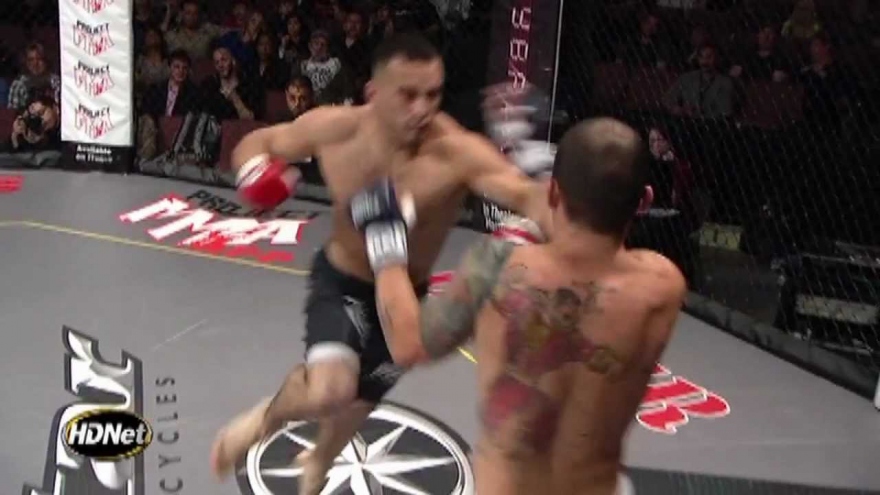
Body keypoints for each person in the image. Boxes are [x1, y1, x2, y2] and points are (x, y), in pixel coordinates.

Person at [208, 32, 554, 491]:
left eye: (432, 94)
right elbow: (259, 142)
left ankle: (322, 458)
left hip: (407, 299)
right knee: (329, 391)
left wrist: (546, 183)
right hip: (343, 282)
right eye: (408, 95)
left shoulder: (456, 152)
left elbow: (524, 195)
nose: (422, 109)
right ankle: (265, 420)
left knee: (360, 400)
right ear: (374, 92)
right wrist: (253, 173)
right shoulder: (335, 130)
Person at [366, 117, 687, 495]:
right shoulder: (663, 286)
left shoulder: (499, 265)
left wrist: (385, 243)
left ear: (554, 193)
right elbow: (590, 248)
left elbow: (409, 344)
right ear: (645, 200)